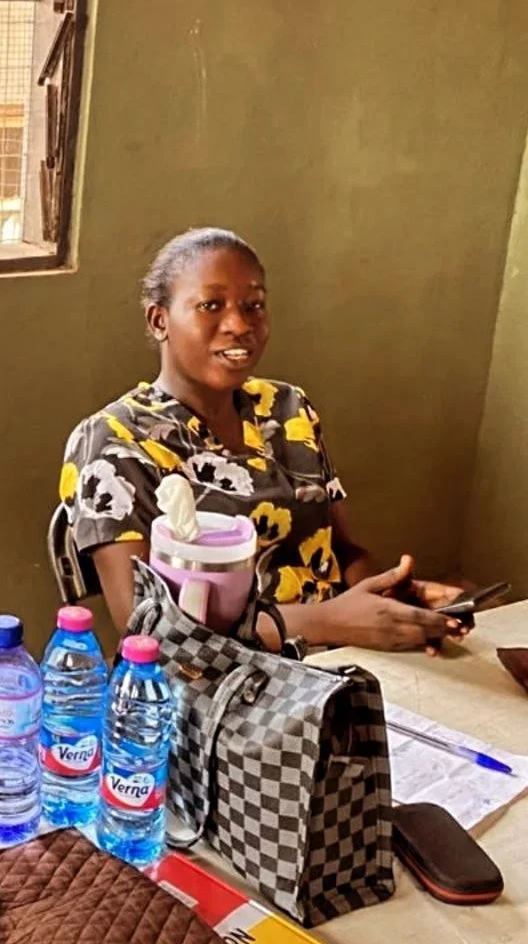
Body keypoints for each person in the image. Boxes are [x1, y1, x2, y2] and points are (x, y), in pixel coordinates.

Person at [60, 227, 466, 653]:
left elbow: (345, 551)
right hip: (221, 688)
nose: (239, 325)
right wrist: (331, 623)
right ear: (159, 320)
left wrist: (388, 603)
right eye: (210, 305)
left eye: (253, 305)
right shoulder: (115, 442)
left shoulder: (288, 409)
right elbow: (146, 626)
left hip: (337, 662)